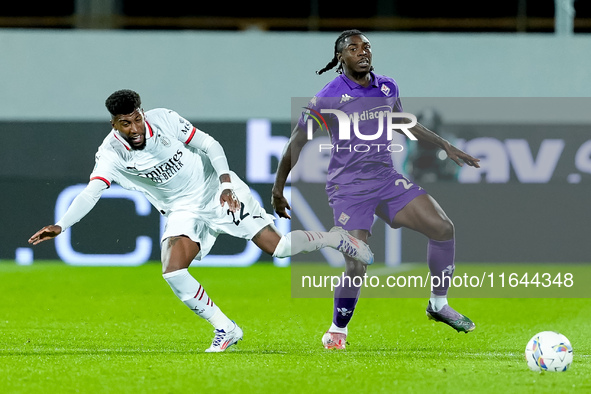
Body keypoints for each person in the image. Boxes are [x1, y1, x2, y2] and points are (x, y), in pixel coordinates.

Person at [28, 89, 373, 353]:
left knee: (279, 248)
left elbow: (210, 144)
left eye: (135, 118)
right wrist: (62, 225)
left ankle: (333, 238)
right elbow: (92, 191)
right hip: (182, 208)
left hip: (216, 190)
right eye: (124, 123)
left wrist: (225, 183)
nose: (133, 128)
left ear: (142, 113)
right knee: (173, 269)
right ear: (114, 124)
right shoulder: (111, 153)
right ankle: (226, 329)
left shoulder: (164, 120)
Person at [272, 30, 481, 350]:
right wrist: (278, 187)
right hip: (349, 187)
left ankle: (438, 305)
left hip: (385, 178)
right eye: (353, 48)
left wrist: (444, 144)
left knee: (442, 228)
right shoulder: (328, 96)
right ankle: (337, 330)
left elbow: (403, 122)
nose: (362, 52)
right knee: (357, 263)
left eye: (366, 47)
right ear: (341, 57)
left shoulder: (388, 86)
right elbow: (297, 142)